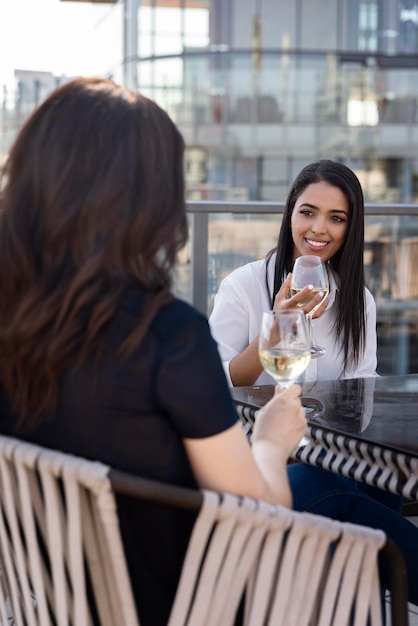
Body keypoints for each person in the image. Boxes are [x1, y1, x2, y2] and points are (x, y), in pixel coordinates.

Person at [0, 78, 416, 624]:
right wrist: (269, 441)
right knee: (327, 492)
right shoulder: (166, 337)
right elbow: (259, 512)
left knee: (353, 493)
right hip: (194, 598)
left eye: (336, 218)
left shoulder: (19, 327)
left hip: (63, 595)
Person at [209, 159, 377, 386]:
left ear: (350, 229)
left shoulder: (360, 301)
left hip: (330, 423)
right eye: (308, 213)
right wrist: (276, 330)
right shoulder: (242, 286)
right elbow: (214, 382)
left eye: (336, 218)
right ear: (290, 216)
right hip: (257, 421)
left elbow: (361, 388)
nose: (318, 228)